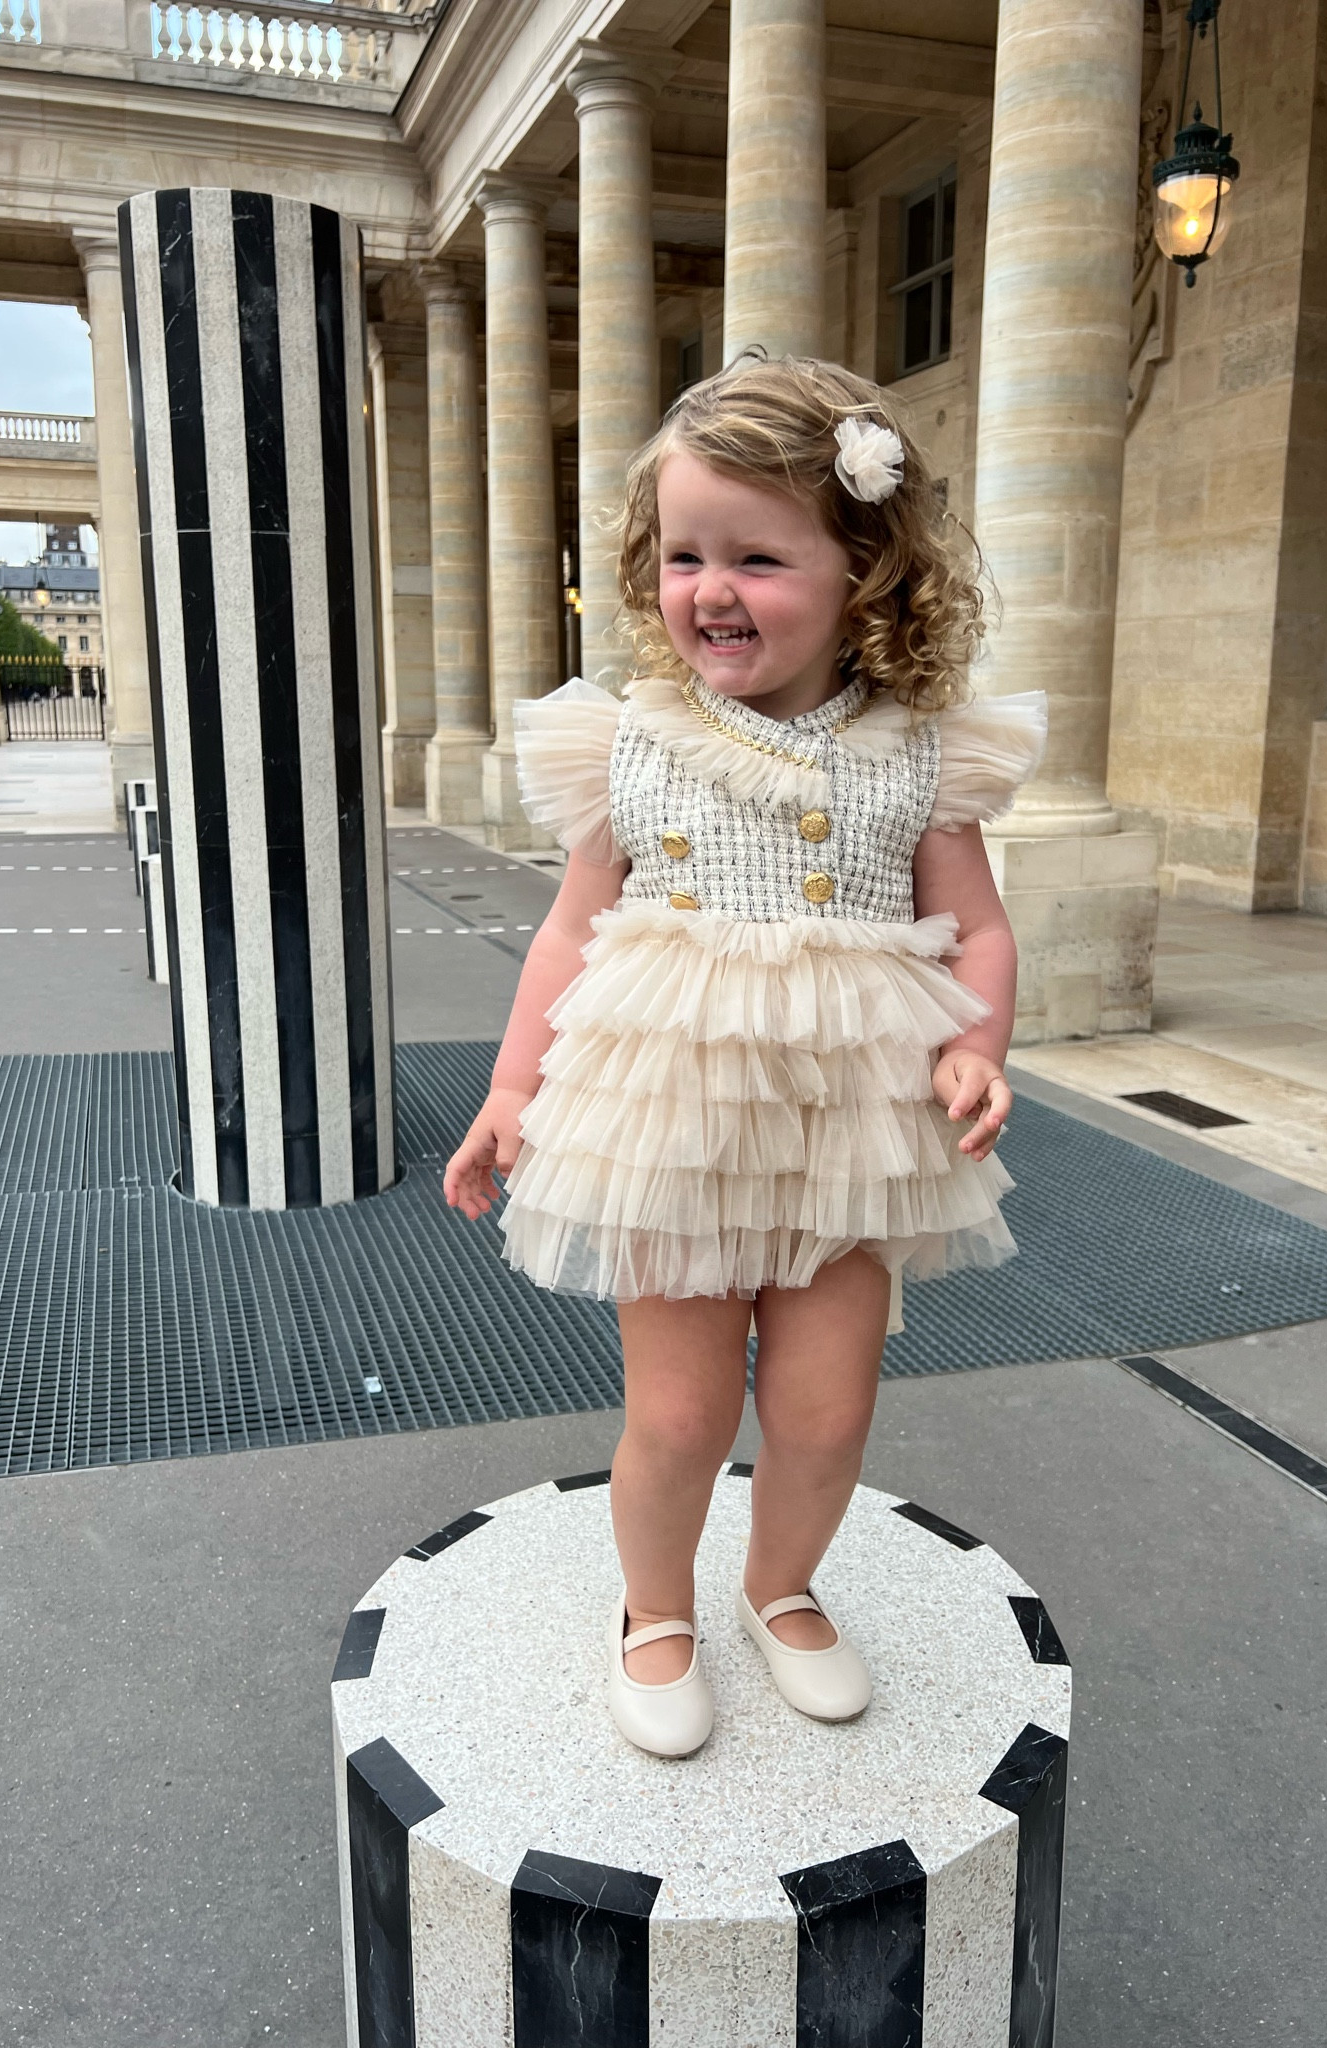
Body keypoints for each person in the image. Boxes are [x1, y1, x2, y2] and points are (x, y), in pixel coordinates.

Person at [443, 355, 1046, 1759]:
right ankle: (656, 1609)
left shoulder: (918, 754)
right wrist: (513, 1087)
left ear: (864, 571)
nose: (711, 588)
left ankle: (780, 1587)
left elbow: (980, 932)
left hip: (854, 1122)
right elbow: (567, 935)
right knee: (682, 1407)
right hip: (668, 1121)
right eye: (685, 555)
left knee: (828, 1408)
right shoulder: (633, 743)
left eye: (759, 559)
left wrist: (978, 1048)